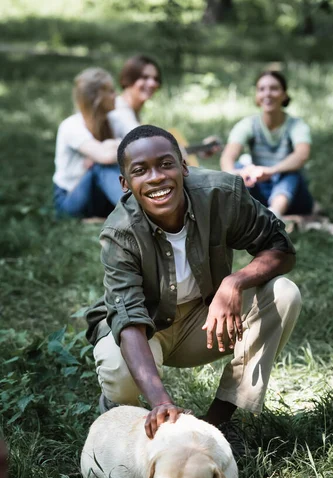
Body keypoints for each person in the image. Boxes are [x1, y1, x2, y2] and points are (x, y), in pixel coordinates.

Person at [85, 125, 302, 454]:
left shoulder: (222, 193)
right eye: (140, 171)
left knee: (284, 294)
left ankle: (219, 421)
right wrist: (162, 403)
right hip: (147, 330)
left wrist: (234, 282)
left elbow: (281, 248)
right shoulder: (120, 232)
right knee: (119, 370)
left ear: (184, 166)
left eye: (166, 164)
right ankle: (117, 410)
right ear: (125, 184)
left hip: (206, 319)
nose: (157, 177)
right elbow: (128, 321)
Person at [220, 70, 314, 218]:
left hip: (294, 197)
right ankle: (254, 215)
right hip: (260, 190)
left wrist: (271, 170)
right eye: (262, 89)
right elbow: (227, 158)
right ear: (257, 97)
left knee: (290, 173)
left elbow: (301, 156)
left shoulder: (296, 125)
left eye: (274, 88)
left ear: (284, 95)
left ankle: (273, 217)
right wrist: (239, 173)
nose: (267, 94)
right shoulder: (248, 124)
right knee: (239, 168)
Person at [53, 68, 122, 220]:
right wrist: (113, 145)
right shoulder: (71, 126)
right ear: (96, 97)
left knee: (124, 163)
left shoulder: (114, 121)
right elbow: (105, 157)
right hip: (70, 200)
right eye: (110, 91)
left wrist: (113, 143)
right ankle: (138, 211)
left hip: (99, 197)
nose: (115, 95)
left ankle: (135, 209)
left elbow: (140, 141)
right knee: (100, 166)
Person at [107, 55, 162, 140]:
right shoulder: (118, 111)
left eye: (155, 79)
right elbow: (141, 142)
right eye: (145, 77)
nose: (152, 84)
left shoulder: (133, 112)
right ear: (129, 79)